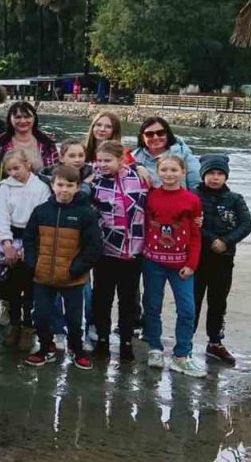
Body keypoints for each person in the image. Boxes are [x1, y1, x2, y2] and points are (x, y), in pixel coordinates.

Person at [23, 165, 103, 369]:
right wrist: (33, 264)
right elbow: (29, 240)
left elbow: (94, 247)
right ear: (52, 185)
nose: (64, 190)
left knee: (75, 320)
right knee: (40, 316)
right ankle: (45, 348)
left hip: (73, 278)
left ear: (78, 187)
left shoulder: (86, 214)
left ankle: (77, 350)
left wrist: (75, 269)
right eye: (60, 185)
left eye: (69, 185)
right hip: (43, 276)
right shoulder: (41, 211)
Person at [141, 155, 206, 377]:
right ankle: (155, 348)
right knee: (152, 305)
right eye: (165, 170)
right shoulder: (149, 197)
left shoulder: (192, 200)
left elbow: (196, 234)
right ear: (158, 172)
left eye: (174, 170)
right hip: (152, 262)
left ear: (183, 172)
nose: (169, 174)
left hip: (182, 265)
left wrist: (192, 264)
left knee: (187, 309)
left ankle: (182, 354)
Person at [89, 140, 149, 363]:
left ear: (121, 160)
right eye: (100, 160)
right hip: (106, 250)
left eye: (108, 160)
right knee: (102, 299)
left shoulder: (138, 178)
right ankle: (102, 342)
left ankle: (126, 343)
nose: (103, 164)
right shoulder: (94, 180)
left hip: (134, 250)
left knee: (128, 301)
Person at [193, 154, 251, 367]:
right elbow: (191, 225)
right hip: (198, 259)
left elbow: (246, 225)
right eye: (211, 174)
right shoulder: (193, 196)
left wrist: (226, 242)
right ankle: (185, 342)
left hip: (224, 259)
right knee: (193, 302)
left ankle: (215, 342)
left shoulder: (235, 198)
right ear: (203, 175)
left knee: (218, 302)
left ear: (225, 176)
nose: (215, 178)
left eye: (219, 174)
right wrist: (212, 239)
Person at [0, 149, 51, 351]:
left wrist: (31, 246)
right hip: (12, 236)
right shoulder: (5, 187)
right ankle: (15, 325)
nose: (13, 173)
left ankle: (28, 327)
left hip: (33, 238)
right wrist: (7, 244)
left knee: (30, 288)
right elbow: (2, 217)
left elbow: (43, 218)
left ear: (27, 164)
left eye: (16, 168)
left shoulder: (41, 187)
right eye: (9, 170)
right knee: (11, 286)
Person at [134, 117, 202, 189]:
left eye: (160, 133)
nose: (155, 137)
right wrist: (137, 167)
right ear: (142, 137)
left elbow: (196, 185)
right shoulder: (134, 157)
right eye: (149, 134)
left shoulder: (184, 154)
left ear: (167, 134)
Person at [0, 101, 58, 172]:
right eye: (18, 117)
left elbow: (56, 172)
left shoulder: (47, 143)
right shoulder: (0, 143)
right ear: (10, 119)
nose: (23, 121)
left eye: (27, 117)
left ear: (34, 118)